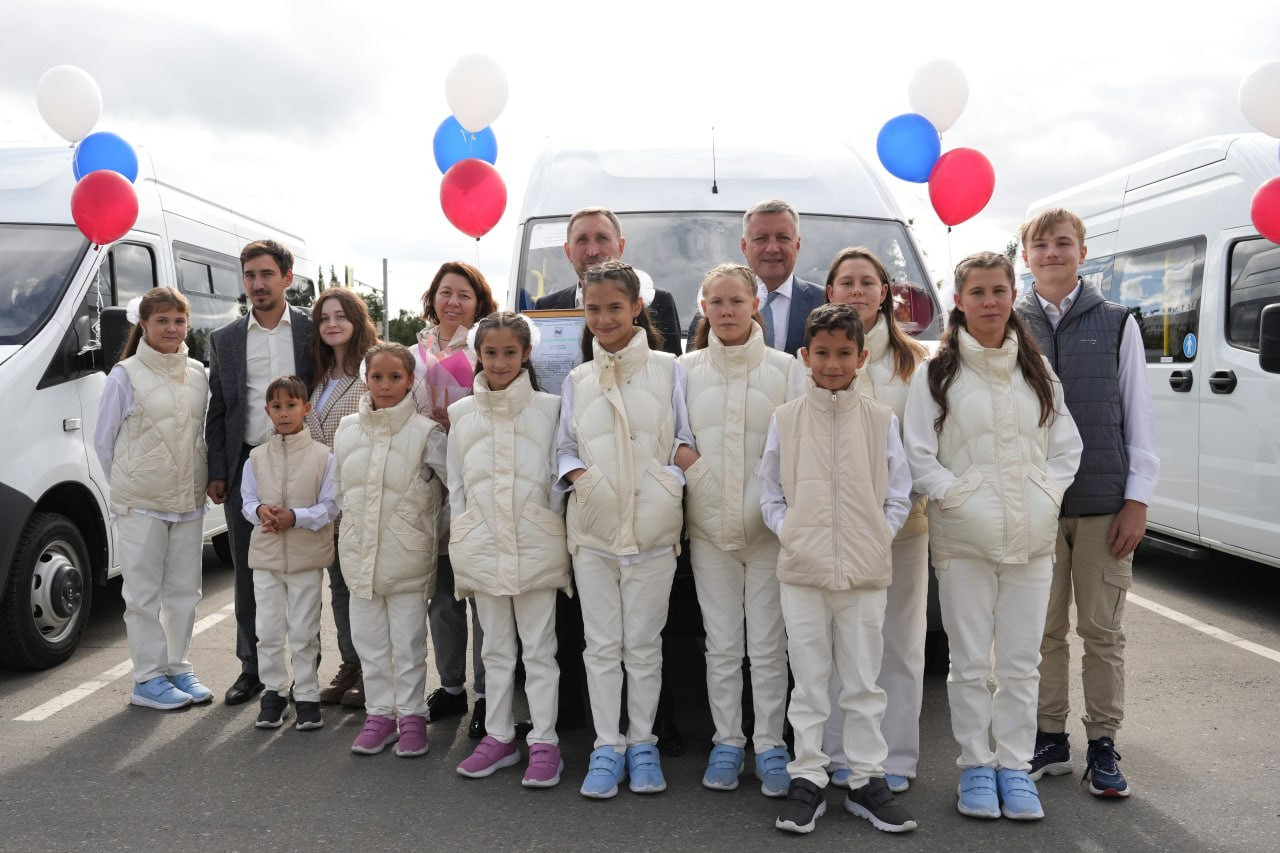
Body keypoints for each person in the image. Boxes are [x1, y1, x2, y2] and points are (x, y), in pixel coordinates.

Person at [904, 251, 1083, 821]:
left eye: (999, 290)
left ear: (1013, 295)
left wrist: (1045, 492)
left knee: (1022, 662)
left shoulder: (1036, 369)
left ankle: (1013, 764)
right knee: (968, 661)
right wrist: (960, 498)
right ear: (959, 300)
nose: (989, 302)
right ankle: (975, 765)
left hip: (1031, 538)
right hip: (964, 542)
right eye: (977, 292)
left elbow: (1065, 447)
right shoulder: (937, 370)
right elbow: (918, 454)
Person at [1016, 209, 1158, 799]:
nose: (1052, 253)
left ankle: (1103, 741)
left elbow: (1138, 415)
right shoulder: (1009, 321)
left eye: (1063, 243)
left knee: (1102, 632)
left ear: (1083, 251)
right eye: (1041, 245)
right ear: (1025, 255)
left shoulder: (1116, 321)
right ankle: (1049, 736)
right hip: (1035, 505)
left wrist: (1137, 501)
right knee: (1042, 631)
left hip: (1103, 504)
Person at [760, 303, 917, 835]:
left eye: (843, 353)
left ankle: (867, 780)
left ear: (861, 356)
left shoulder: (879, 419)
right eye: (822, 353)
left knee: (862, 681)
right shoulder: (787, 419)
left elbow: (898, 492)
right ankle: (808, 777)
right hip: (802, 572)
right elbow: (770, 492)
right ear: (805, 357)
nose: (832, 363)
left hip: (863, 573)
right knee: (808, 682)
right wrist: (794, 534)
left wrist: (876, 536)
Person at [555, 261, 699, 799]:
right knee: (600, 645)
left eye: (614, 307)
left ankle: (643, 743)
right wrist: (583, 480)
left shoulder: (668, 368)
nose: (604, 318)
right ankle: (605, 745)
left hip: (652, 529)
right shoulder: (577, 378)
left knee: (642, 644)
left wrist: (666, 482)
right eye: (593, 309)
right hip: (592, 530)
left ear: (636, 306)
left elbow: (685, 437)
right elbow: (565, 446)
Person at [680, 264, 806, 796]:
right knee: (723, 644)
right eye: (717, 302)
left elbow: (799, 446)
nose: (727, 311)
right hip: (709, 530)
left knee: (770, 646)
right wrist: (701, 477)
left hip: (770, 532)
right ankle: (728, 742)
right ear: (704, 308)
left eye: (737, 300)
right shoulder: (684, 370)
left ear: (755, 303)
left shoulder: (786, 368)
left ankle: (771, 744)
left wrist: (769, 502)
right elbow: (676, 440)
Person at [820, 248, 929, 794]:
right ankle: (841, 752)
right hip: (833, 533)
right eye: (846, 282)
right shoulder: (814, 362)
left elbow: (925, 448)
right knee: (843, 645)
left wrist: (897, 513)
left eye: (868, 282)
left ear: (885, 292)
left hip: (899, 530)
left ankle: (896, 758)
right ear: (830, 292)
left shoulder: (915, 362)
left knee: (898, 645)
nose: (857, 290)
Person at [447, 312, 570, 787]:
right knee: (495, 650)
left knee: (540, 651)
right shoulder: (461, 415)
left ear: (526, 354)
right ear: (477, 354)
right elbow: (457, 486)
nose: (499, 362)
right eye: (490, 352)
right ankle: (497, 737)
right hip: (482, 544)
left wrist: (549, 528)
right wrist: (464, 534)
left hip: (537, 544)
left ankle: (545, 742)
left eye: (510, 352)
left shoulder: (549, 408)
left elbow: (557, 482)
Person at [94, 287, 213, 710]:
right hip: (141, 502)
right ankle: (147, 679)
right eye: (161, 320)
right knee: (142, 595)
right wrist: (130, 484)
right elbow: (104, 440)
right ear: (143, 324)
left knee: (184, 592)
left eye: (178, 320)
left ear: (188, 325)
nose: (171, 328)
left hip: (187, 501)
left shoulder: (199, 373)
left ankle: (178, 667)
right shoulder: (124, 375)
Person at [206, 240, 314, 705]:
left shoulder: (312, 331)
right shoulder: (225, 339)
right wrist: (217, 469)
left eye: (266, 274)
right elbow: (220, 408)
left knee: (310, 572)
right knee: (250, 573)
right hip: (250, 464)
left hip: (309, 461)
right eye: (250, 275)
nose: (257, 284)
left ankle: (309, 674)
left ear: (286, 278)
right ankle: (251, 669)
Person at [333, 343, 446, 757]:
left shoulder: (426, 433)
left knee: (409, 643)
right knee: (370, 644)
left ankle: (412, 716)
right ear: (366, 378)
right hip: (358, 557)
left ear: (410, 381)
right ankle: (380, 714)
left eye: (395, 377)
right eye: (377, 376)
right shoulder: (347, 429)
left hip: (408, 559)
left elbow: (456, 488)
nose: (384, 385)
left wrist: (426, 528)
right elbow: (337, 489)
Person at [411, 261, 498, 738]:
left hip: (477, 478)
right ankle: (450, 686)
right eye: (446, 293)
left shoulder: (488, 349)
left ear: (478, 302)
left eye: (464, 295)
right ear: (433, 297)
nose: (453, 303)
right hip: (427, 482)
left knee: (481, 594)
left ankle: (487, 694)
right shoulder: (415, 352)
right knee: (441, 597)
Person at [241, 375, 339, 731]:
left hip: (305, 558)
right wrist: (261, 512)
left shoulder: (322, 456)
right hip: (265, 559)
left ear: (306, 409)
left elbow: (330, 506)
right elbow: (247, 501)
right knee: (267, 629)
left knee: (304, 630)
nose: (284, 413)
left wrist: (295, 517)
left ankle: (308, 695)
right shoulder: (255, 457)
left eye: (291, 405)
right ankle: (273, 693)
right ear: (267, 411)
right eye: (277, 407)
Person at [306, 288, 379, 709]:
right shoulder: (316, 375)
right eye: (324, 318)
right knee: (339, 589)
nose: (332, 324)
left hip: (361, 495)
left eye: (340, 316)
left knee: (364, 587)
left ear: (356, 320)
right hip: (324, 500)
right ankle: (350, 663)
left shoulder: (373, 369)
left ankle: (373, 670)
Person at [535, 206, 684, 357]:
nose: (592, 251)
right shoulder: (546, 308)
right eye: (582, 240)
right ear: (568, 251)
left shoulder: (659, 302)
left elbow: (671, 373)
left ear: (621, 246)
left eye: (602, 239)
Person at [686, 200, 825, 356]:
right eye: (761, 238)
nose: (772, 248)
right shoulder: (712, 308)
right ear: (744, 246)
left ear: (797, 245)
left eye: (783, 238)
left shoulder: (822, 302)